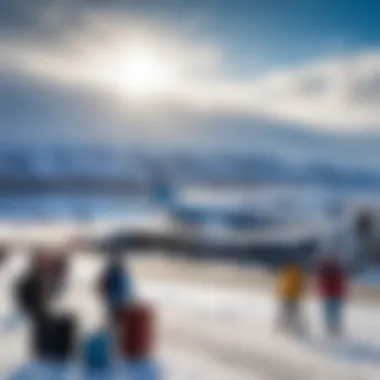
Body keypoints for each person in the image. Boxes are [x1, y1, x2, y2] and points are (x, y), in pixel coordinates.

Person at [316, 254, 347, 337]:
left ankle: (333, 328)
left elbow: (342, 281)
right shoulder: (333, 270)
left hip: (333, 294)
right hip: (332, 294)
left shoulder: (329, 270)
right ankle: (332, 328)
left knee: (332, 312)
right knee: (332, 312)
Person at [99, 254, 134, 320]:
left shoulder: (115, 273)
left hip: (118, 302)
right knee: (118, 320)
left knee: (117, 320)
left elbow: (102, 286)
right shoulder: (120, 273)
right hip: (119, 302)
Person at [276, 259, 307, 335]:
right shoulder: (298, 273)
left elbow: (282, 284)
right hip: (292, 296)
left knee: (287, 312)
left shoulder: (286, 273)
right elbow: (301, 285)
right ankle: (292, 326)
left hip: (288, 295)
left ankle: (286, 326)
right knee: (293, 313)